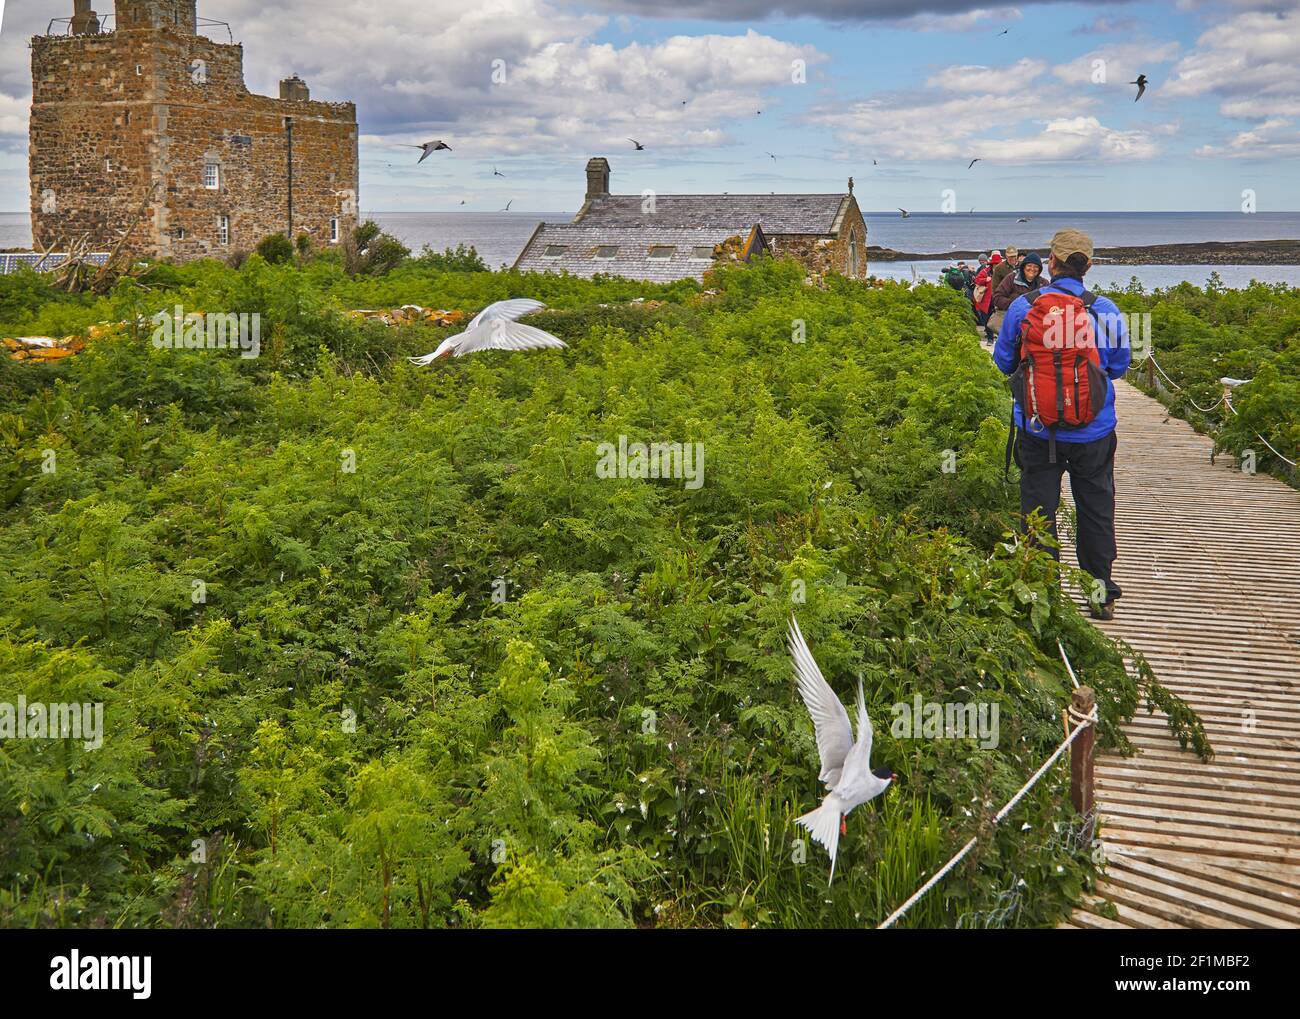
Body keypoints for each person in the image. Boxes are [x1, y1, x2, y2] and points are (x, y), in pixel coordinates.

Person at [993, 229, 1130, 620]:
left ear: (1050, 264)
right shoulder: (1105, 309)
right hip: (1094, 432)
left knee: (1038, 510)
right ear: (1089, 266)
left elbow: (1004, 363)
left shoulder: (1024, 307)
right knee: (1096, 510)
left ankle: (1041, 593)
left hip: (1038, 430)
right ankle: (1100, 593)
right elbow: (1119, 367)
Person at [984, 251, 1041, 341]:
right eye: (1029, 266)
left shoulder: (1043, 283)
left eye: (1036, 267)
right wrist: (1016, 305)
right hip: (1012, 323)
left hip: (1034, 327)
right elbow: (997, 297)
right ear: (1024, 266)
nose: (1032, 269)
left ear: (1040, 269)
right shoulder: (1011, 278)